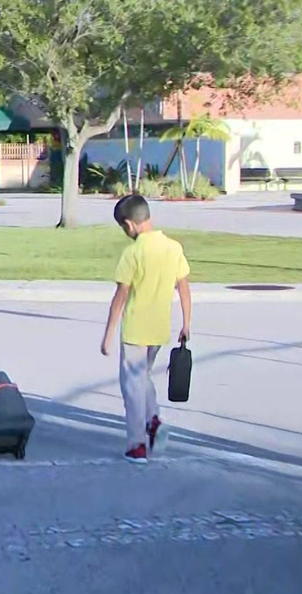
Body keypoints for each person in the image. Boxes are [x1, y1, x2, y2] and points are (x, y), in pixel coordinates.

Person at [99, 194, 191, 464]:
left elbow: (121, 296)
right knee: (143, 377)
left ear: (130, 224)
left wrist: (108, 335)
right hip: (160, 327)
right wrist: (186, 323)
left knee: (132, 387)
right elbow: (184, 287)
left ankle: (136, 443)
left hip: (136, 329)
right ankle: (153, 421)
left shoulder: (133, 252)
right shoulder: (173, 248)